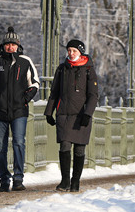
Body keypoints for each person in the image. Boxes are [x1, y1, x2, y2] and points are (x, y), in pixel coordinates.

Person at [0, 26, 39, 192]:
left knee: (19, 143)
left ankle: (18, 179)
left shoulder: (25, 61)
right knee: (0, 148)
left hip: (19, 111)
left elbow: (35, 83)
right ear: (3, 45)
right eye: (8, 44)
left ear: (18, 45)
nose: (10, 47)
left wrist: (25, 99)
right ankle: (4, 180)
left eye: (13, 44)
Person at [45, 39, 99, 192]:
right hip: (64, 115)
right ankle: (65, 181)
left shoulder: (88, 69)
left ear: (80, 52)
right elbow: (54, 92)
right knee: (64, 146)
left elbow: (93, 95)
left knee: (79, 150)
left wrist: (88, 113)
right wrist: (49, 112)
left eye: (74, 51)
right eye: (69, 50)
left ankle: (76, 181)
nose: (71, 53)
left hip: (81, 115)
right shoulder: (62, 69)